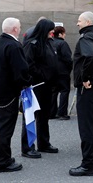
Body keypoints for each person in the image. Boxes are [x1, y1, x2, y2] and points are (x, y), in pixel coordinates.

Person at [0, 18, 30, 173]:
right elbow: (20, 71)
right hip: (7, 92)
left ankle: (4, 157)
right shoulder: (14, 45)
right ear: (15, 29)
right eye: (20, 27)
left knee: (2, 125)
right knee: (5, 127)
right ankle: (2, 162)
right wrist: (26, 82)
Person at [69, 11, 93, 176]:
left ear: (88, 22)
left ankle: (88, 164)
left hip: (88, 86)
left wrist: (85, 77)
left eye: (79, 21)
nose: (77, 24)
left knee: (86, 126)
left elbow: (90, 57)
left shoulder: (86, 38)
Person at [21, 19, 59, 159]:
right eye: (51, 29)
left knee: (44, 116)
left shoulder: (48, 43)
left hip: (47, 85)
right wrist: (43, 75)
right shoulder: (32, 44)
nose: (53, 32)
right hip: (36, 85)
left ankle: (44, 143)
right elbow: (29, 64)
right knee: (30, 116)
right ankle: (27, 147)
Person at [50, 26, 73, 120]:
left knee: (53, 92)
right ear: (60, 34)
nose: (65, 35)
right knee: (64, 91)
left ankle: (51, 113)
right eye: (64, 33)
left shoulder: (50, 43)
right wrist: (69, 69)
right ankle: (62, 113)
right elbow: (68, 58)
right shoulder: (63, 44)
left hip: (52, 71)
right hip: (63, 71)